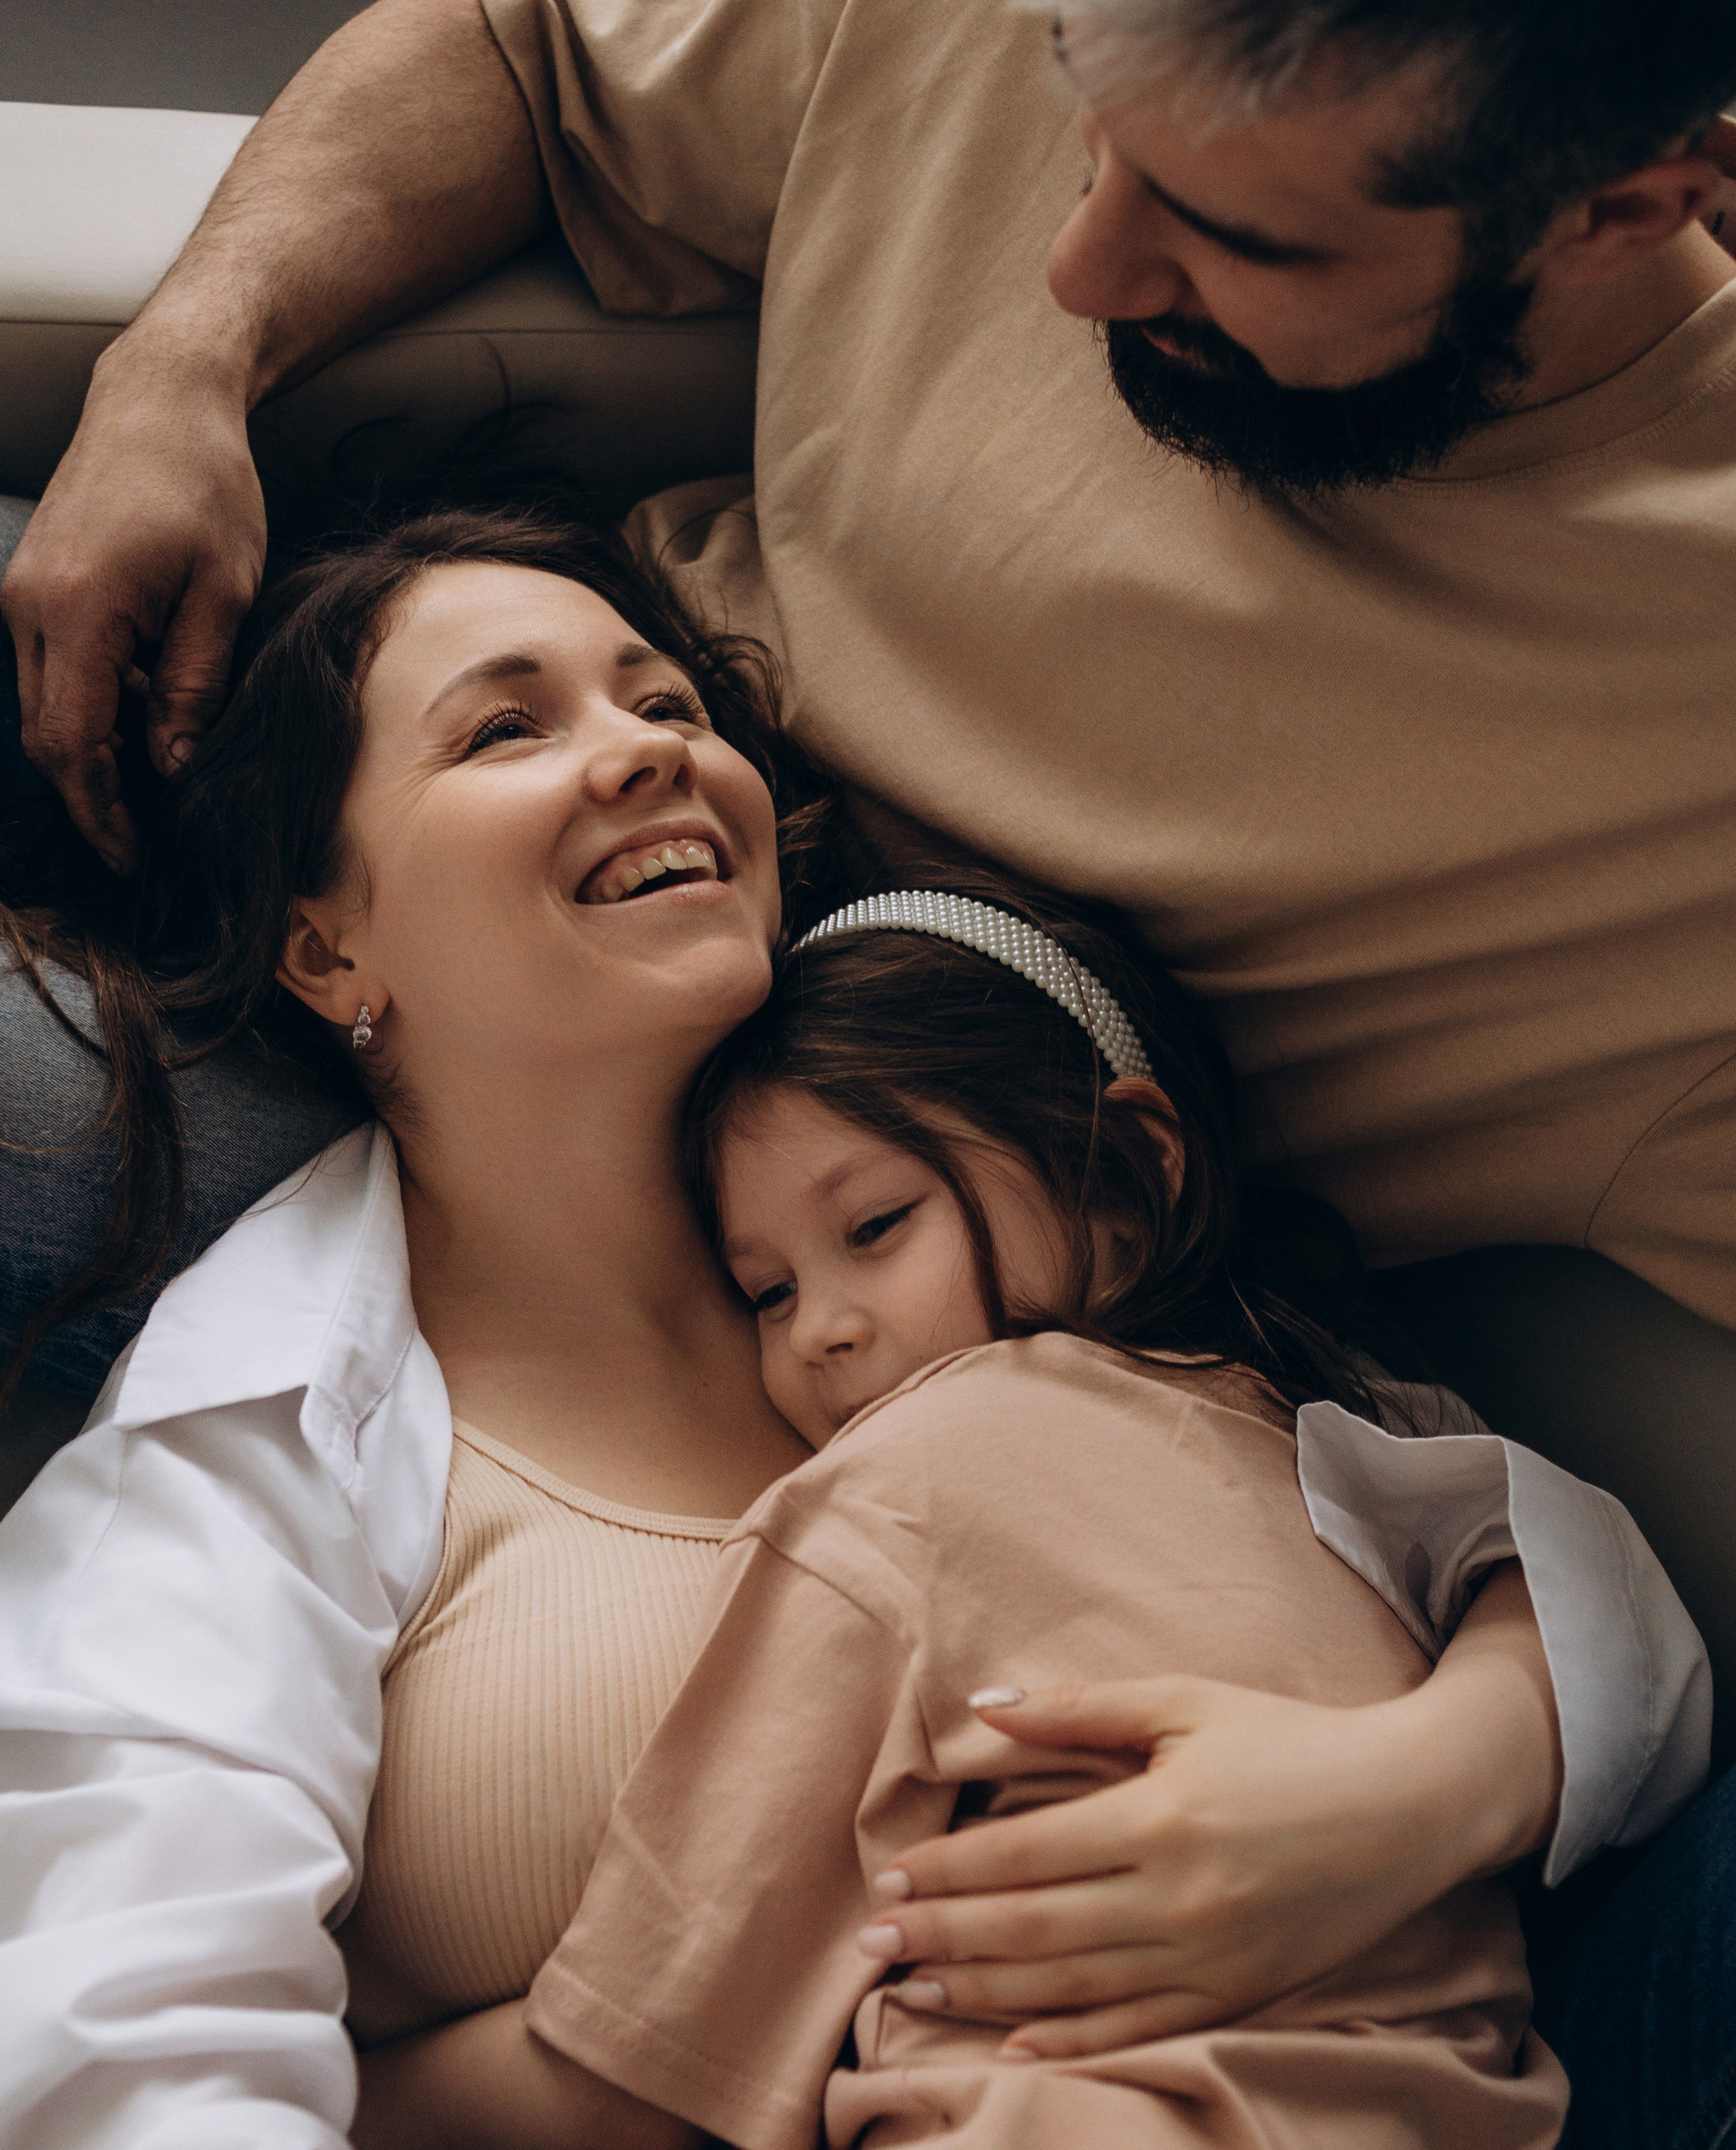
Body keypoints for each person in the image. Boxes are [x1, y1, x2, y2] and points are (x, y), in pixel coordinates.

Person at [6, 0, 1736, 2126]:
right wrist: (187, 364)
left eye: (1230, 232)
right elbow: (525, 45)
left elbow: (1538, 1538)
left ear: (1641, 198)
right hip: (470, 966)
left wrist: (1450, 1773)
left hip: (1053, 1181)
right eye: (1081, 113)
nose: (1066, 262)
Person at [0, 517, 1704, 2149]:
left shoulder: (1031, 1245)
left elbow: (1511, 1534)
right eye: (503, 728)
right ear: (325, 941)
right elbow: (125, 2039)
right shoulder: (253, 1440)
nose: (645, 748)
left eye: (667, 701)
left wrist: (1411, 1791)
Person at [342, 881, 1611, 2147]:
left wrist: (326, 2069)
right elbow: (1606, 1609)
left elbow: (626, 2082)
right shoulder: (1358, 1438)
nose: (825, 1329)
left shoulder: (903, 1485)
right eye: (767, 1292)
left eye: (880, 1225)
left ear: (1126, 1170)